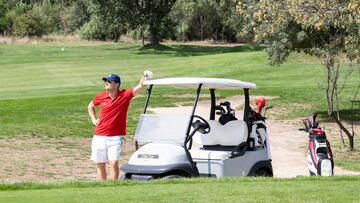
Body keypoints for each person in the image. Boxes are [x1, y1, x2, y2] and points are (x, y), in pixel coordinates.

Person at [88, 73, 148, 180]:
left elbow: (140, 87)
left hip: (115, 137)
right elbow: (91, 106)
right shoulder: (101, 96)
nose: (106, 83)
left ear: (116, 84)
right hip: (99, 135)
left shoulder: (124, 95)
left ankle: (112, 187)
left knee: (113, 163)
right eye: (106, 81)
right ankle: (102, 189)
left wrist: (143, 80)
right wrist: (93, 119)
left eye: (109, 81)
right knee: (100, 165)